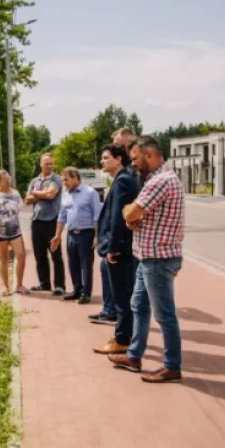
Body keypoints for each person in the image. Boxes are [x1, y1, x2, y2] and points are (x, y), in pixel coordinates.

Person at [107, 135, 186, 383]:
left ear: (149, 155)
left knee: (164, 315)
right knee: (139, 306)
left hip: (157, 259)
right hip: (149, 257)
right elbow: (140, 217)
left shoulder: (159, 182)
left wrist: (129, 213)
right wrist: (134, 218)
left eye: (135, 159)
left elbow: (131, 212)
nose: (132, 166)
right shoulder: (161, 179)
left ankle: (172, 366)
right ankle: (134, 355)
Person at [93, 144, 141, 355]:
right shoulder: (125, 178)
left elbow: (118, 218)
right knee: (126, 294)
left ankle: (121, 339)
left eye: (105, 158)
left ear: (118, 159)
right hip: (126, 247)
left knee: (121, 295)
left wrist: (113, 248)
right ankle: (127, 335)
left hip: (120, 249)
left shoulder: (122, 181)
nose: (102, 161)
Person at [50, 167, 102, 304]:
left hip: (86, 233)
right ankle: (76, 290)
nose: (64, 183)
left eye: (66, 179)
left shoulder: (91, 193)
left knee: (86, 264)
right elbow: (61, 217)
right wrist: (57, 236)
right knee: (73, 263)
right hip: (71, 234)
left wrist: (97, 236)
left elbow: (97, 216)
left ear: (75, 177)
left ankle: (86, 293)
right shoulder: (66, 195)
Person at [25, 153, 66, 295]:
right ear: (40, 164)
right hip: (37, 221)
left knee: (56, 255)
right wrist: (40, 194)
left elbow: (51, 195)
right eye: (46, 163)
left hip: (52, 221)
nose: (49, 166)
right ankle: (44, 284)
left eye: (51, 164)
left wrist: (36, 194)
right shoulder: (34, 181)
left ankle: (60, 285)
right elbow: (27, 200)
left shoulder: (57, 179)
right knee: (39, 255)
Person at [0, 169, 30, 297]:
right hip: (1, 233)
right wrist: (0, 223)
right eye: (5, 179)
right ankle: (6, 287)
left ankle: (19, 285)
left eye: (9, 178)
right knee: (4, 258)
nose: (8, 181)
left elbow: (19, 208)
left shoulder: (16, 193)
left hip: (15, 230)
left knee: (21, 255)